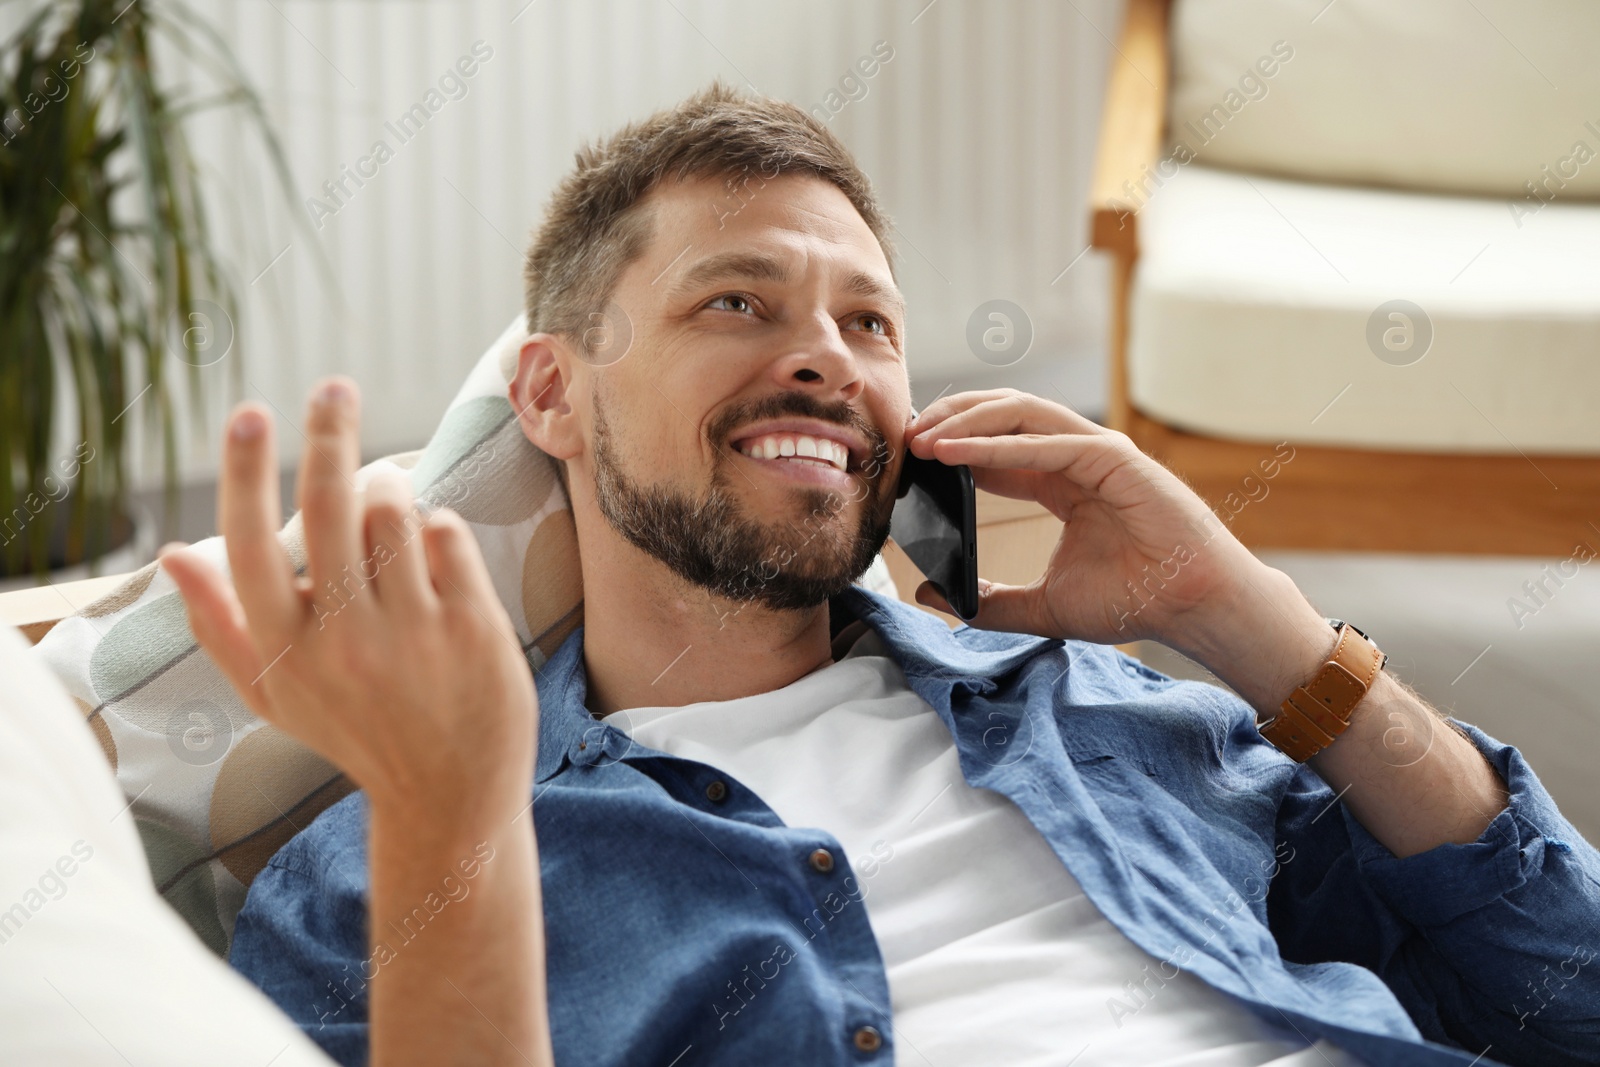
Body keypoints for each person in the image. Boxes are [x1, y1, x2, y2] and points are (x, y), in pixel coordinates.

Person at [160, 84, 1600, 1067]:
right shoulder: (398, 860)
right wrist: (448, 814)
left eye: (870, 322)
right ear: (547, 390)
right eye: (738, 301)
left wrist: (1244, 614)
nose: (827, 358)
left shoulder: (1104, 714)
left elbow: (1568, 991)